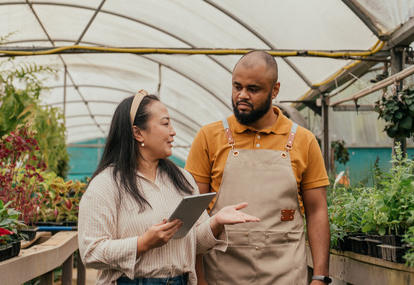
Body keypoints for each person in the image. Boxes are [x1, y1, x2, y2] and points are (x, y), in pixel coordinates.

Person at [79, 90, 260, 285]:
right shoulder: (106, 185)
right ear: (138, 132)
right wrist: (142, 244)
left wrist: (216, 222)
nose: (173, 131)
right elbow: (91, 253)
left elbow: (194, 243)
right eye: (165, 124)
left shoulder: (182, 180)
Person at [185, 51, 331, 285]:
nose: (242, 95)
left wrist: (320, 277)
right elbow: (195, 213)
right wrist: (198, 278)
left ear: (275, 90)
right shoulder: (208, 137)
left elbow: (317, 211)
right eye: (237, 86)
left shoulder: (304, 141)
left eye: (253, 89)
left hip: (286, 274)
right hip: (222, 274)